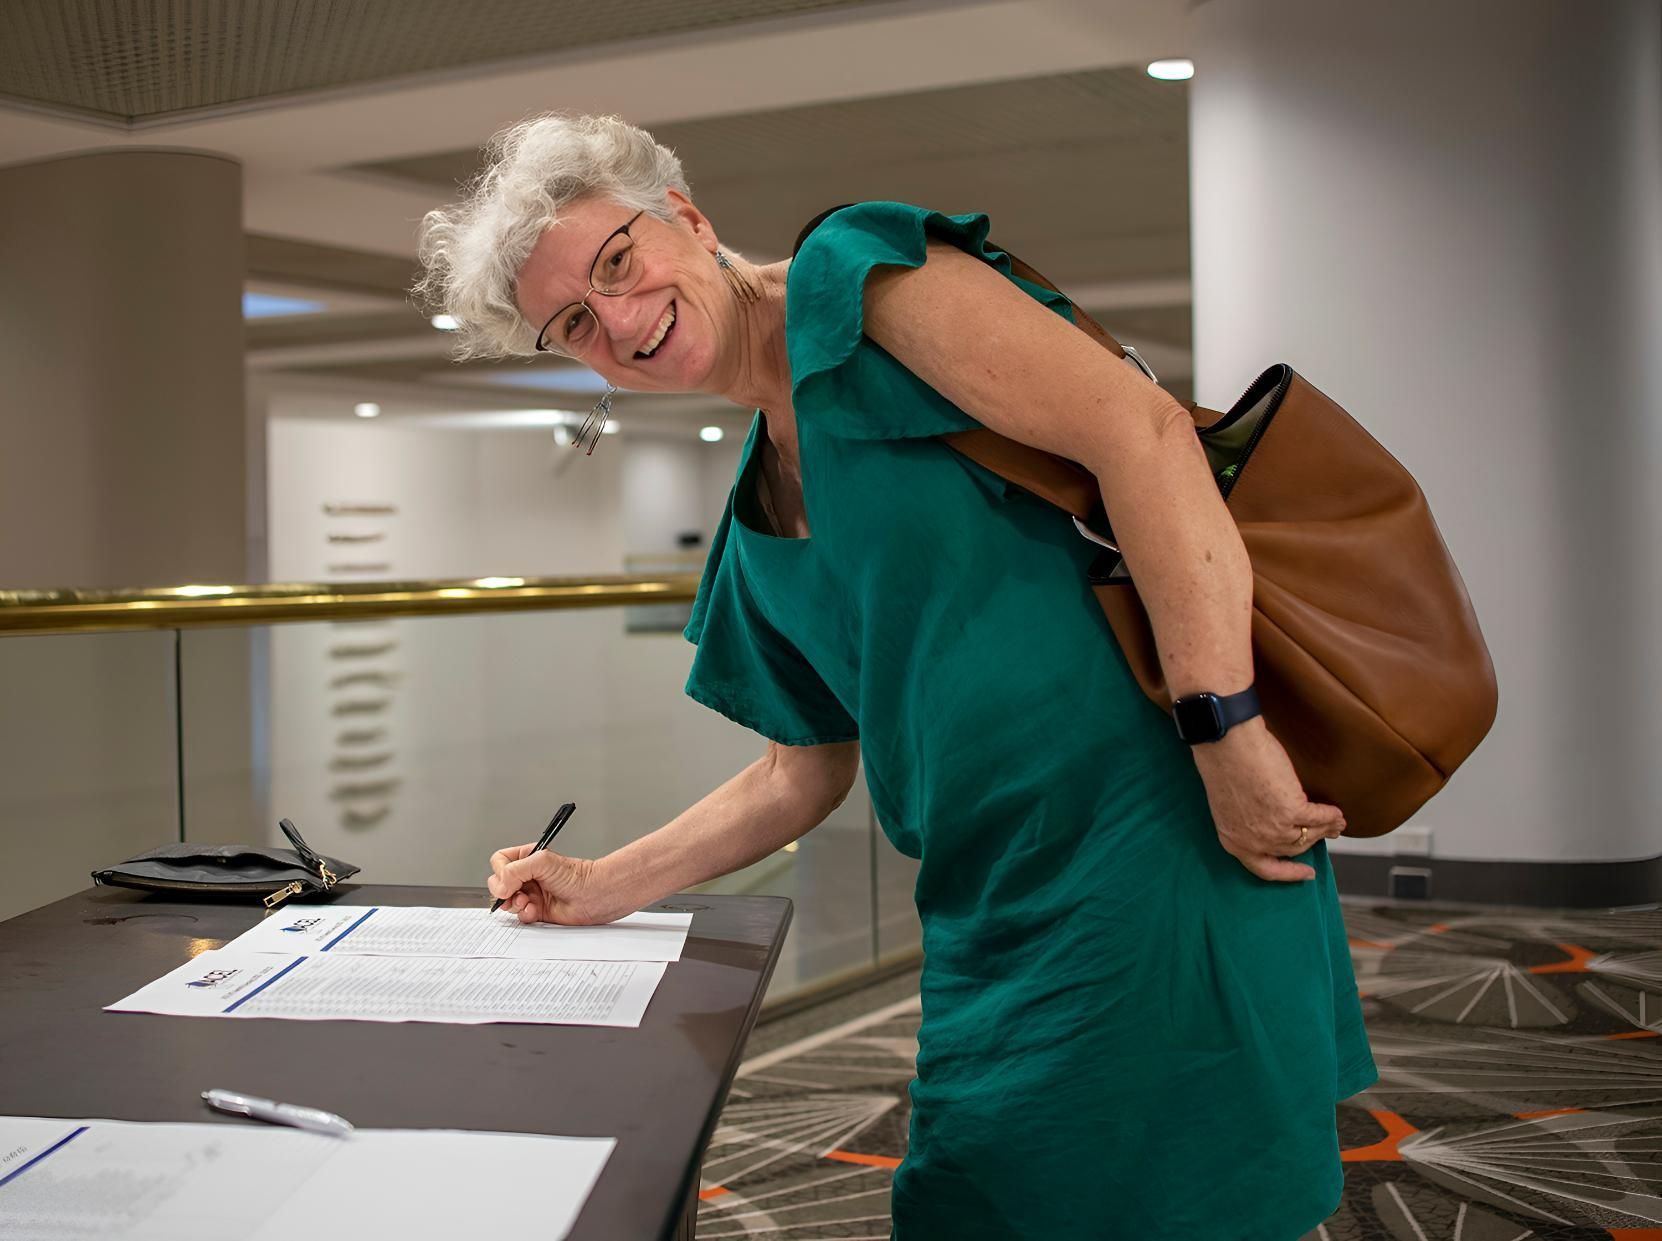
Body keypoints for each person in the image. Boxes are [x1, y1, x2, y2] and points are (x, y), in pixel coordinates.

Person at [416, 112, 1378, 1240]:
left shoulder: (855, 280)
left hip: (1153, 843)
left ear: (684, 216)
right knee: (993, 1196)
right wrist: (603, 881)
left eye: (616, 263)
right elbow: (797, 773)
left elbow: (1145, 438)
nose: (616, 320)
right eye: (571, 322)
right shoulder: (760, 505)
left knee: (1173, 1196)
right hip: (988, 900)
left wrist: (1229, 728)